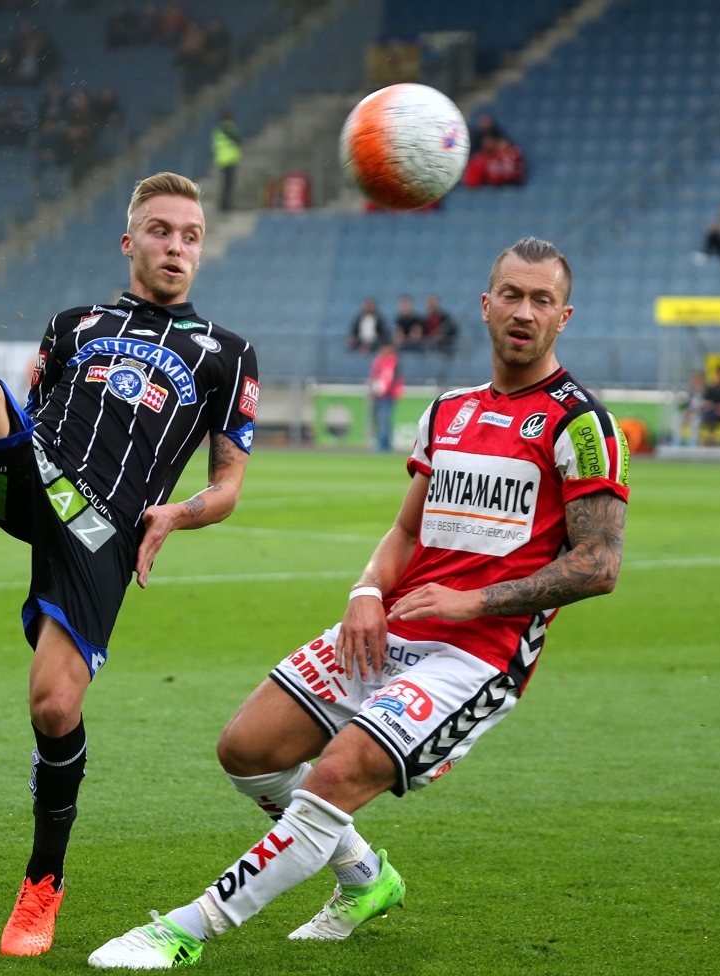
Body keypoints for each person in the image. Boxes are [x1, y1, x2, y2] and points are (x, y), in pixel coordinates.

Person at [88, 237, 630, 968]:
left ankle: (185, 929)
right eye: (511, 294)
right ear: (485, 304)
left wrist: (472, 604)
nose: (523, 311)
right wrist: (367, 590)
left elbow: (597, 565)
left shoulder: (579, 424)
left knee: (338, 773)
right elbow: (408, 528)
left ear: (564, 316)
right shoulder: (448, 411)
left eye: (540, 300)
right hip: (396, 626)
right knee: (247, 752)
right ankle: (365, 877)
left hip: (478, 656)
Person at [0, 172, 258, 958]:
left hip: (105, 530)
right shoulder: (72, 325)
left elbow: (226, 488)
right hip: (39, 474)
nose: (175, 247)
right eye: (160, 230)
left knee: (54, 708)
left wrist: (175, 515)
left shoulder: (228, 353)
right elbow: (31, 436)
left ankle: (43, 879)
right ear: (130, 242)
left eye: (189, 236)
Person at [369, 343, 404, 452]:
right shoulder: (379, 360)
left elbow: (395, 378)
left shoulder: (394, 361)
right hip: (378, 394)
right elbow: (374, 375)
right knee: (380, 420)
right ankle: (382, 442)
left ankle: (384, 445)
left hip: (388, 395)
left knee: (384, 419)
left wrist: (394, 391)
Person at [211, 110, 242, 212]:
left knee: (224, 185)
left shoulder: (217, 130)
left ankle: (223, 206)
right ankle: (226, 206)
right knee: (228, 185)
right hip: (230, 159)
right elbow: (238, 139)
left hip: (221, 160)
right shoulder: (229, 128)